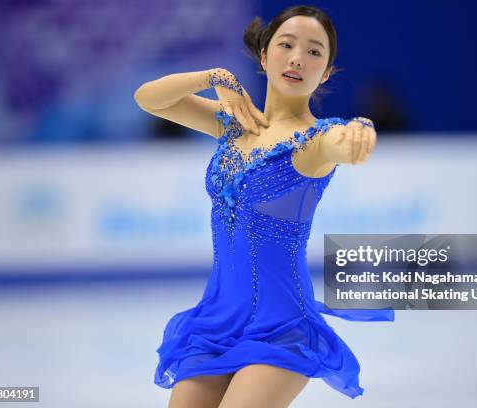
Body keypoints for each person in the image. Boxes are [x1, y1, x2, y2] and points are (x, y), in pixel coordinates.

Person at [134, 5, 394, 407]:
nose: (296, 58)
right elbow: (149, 99)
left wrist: (361, 129)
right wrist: (214, 77)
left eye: (313, 52)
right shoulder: (234, 124)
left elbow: (343, 140)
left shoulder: (314, 141)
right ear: (263, 55)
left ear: (325, 72)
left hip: (282, 326)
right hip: (215, 321)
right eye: (286, 45)